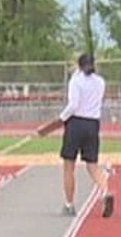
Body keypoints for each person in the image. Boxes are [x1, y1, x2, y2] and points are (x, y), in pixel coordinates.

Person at [36, 53, 114, 216]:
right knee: (92, 165)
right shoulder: (100, 82)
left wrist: (59, 120)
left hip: (76, 123)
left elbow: (73, 105)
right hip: (93, 123)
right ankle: (105, 191)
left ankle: (69, 204)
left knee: (68, 165)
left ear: (78, 66)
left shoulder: (76, 81)